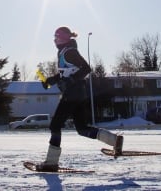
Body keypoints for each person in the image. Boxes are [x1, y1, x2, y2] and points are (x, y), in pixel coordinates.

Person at [35, 26, 123, 172]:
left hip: (72, 94)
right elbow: (66, 74)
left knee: (55, 125)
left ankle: (51, 163)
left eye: (56, 37)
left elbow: (86, 68)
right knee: (82, 129)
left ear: (63, 38)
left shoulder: (70, 52)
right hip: (78, 94)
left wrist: (70, 81)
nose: (54, 40)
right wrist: (50, 81)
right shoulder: (64, 52)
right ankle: (115, 140)